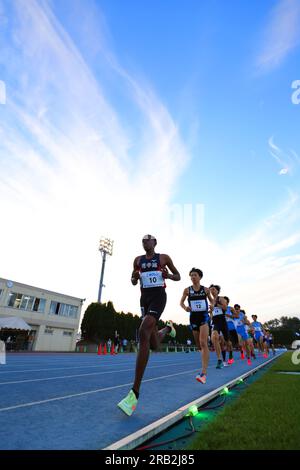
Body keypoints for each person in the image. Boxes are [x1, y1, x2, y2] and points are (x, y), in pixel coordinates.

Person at [117, 234, 180, 416]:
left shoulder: (163, 258)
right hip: (144, 299)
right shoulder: (137, 260)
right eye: (143, 240)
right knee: (153, 343)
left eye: (148, 239)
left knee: (143, 330)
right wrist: (134, 277)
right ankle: (168, 329)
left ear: (155, 242)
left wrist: (168, 275)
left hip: (159, 297)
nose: (145, 242)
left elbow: (178, 276)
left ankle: (134, 394)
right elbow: (133, 280)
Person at [180, 268, 214, 383]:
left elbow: (212, 301)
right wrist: (185, 308)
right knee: (199, 345)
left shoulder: (205, 290)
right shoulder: (187, 290)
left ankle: (204, 373)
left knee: (204, 343)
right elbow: (181, 302)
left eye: (194, 275)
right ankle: (203, 356)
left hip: (204, 317)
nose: (192, 277)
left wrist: (212, 306)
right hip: (193, 317)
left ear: (199, 277)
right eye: (191, 275)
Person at [209, 285, 230, 369]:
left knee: (227, 342)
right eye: (211, 290)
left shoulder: (221, 298)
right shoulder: (211, 301)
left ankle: (230, 354)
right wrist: (211, 311)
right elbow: (212, 311)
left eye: (213, 289)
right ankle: (220, 360)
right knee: (214, 338)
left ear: (217, 291)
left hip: (222, 321)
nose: (212, 291)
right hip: (215, 321)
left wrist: (216, 305)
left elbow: (225, 307)